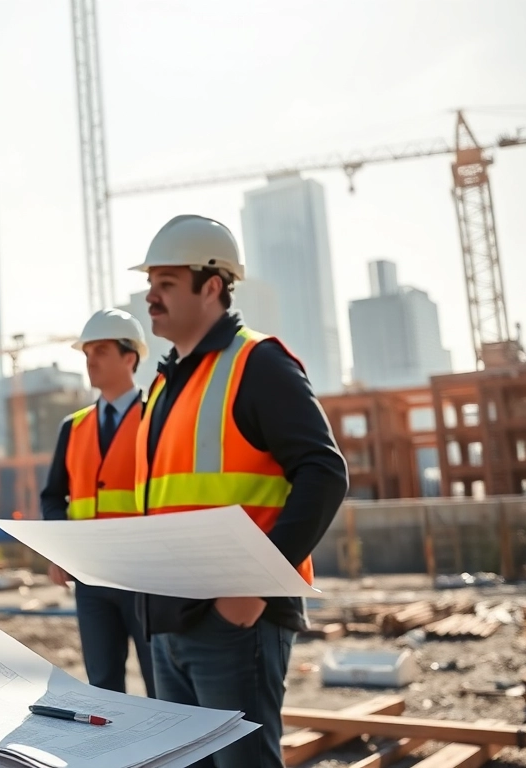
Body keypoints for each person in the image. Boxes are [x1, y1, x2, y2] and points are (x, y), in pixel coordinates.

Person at [130, 214, 348, 767]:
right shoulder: (165, 384)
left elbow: (324, 472)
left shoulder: (258, 364)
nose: (151, 297)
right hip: (168, 621)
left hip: (233, 622)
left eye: (166, 284)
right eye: (150, 284)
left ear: (211, 287)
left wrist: (255, 588)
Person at [39, 308, 157, 697]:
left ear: (130, 357)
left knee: (161, 686)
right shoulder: (73, 427)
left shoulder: (158, 418)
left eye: (101, 351)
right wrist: (60, 550)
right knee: (103, 688)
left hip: (147, 577)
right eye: (87, 353)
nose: (90, 361)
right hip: (91, 580)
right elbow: (53, 496)